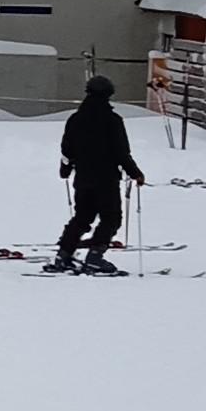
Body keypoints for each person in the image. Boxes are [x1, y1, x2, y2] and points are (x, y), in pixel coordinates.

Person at [51, 74, 147, 274]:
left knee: (82, 217)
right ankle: (95, 257)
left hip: (83, 178)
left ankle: (63, 256)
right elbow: (121, 152)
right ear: (108, 95)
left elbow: (67, 149)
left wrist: (65, 169)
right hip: (106, 179)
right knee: (111, 218)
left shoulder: (76, 119)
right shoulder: (113, 121)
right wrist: (135, 173)